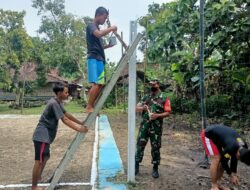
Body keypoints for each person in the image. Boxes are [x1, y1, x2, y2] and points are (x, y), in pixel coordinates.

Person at [32, 82, 88, 190]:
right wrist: (79, 129)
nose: (68, 94)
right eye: (66, 92)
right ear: (59, 93)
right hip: (41, 136)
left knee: (46, 157)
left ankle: (38, 178)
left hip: (46, 137)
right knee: (38, 161)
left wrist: (80, 122)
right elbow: (65, 120)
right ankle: (34, 187)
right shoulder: (53, 103)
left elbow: (67, 114)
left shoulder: (58, 102)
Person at [135, 79, 171, 178]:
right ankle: (136, 166)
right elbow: (136, 107)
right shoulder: (146, 97)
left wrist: (157, 116)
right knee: (140, 145)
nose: (151, 86)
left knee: (156, 147)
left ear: (158, 85)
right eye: (150, 84)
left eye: (153, 84)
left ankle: (155, 168)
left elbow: (168, 112)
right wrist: (143, 108)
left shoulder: (164, 97)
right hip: (144, 126)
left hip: (156, 127)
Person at [85, 6, 117, 113]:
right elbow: (98, 34)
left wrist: (108, 45)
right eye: (104, 17)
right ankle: (89, 106)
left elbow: (100, 46)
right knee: (96, 83)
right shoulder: (91, 26)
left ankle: (92, 105)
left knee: (100, 84)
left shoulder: (97, 29)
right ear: (98, 15)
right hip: (94, 58)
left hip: (99, 59)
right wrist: (111, 28)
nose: (104, 21)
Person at [201, 125, 250, 190]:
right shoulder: (231, 148)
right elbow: (224, 161)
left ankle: (218, 183)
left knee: (223, 161)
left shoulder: (244, 147)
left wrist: (234, 173)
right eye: (239, 158)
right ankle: (213, 185)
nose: (238, 159)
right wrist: (230, 174)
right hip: (208, 134)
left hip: (219, 137)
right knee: (217, 158)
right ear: (238, 153)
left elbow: (234, 158)